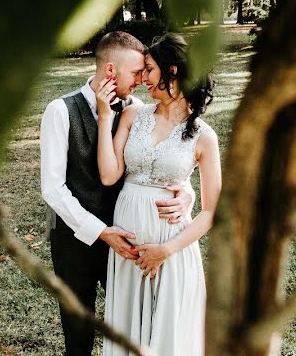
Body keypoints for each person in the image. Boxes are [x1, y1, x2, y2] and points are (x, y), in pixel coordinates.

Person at [40, 31, 193, 356]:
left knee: (134, 327)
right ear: (111, 71)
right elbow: (53, 189)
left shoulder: (138, 110)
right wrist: (100, 232)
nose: (142, 80)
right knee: (78, 336)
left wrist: (187, 194)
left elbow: (162, 162)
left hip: (129, 240)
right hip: (75, 243)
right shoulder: (60, 111)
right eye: (137, 72)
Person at [95, 33, 221, 356]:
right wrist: (105, 116)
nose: (142, 79)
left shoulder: (204, 137)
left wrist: (165, 249)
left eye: (148, 70)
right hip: (129, 253)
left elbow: (211, 213)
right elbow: (110, 174)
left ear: (172, 71)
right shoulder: (132, 115)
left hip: (172, 253)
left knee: (169, 341)